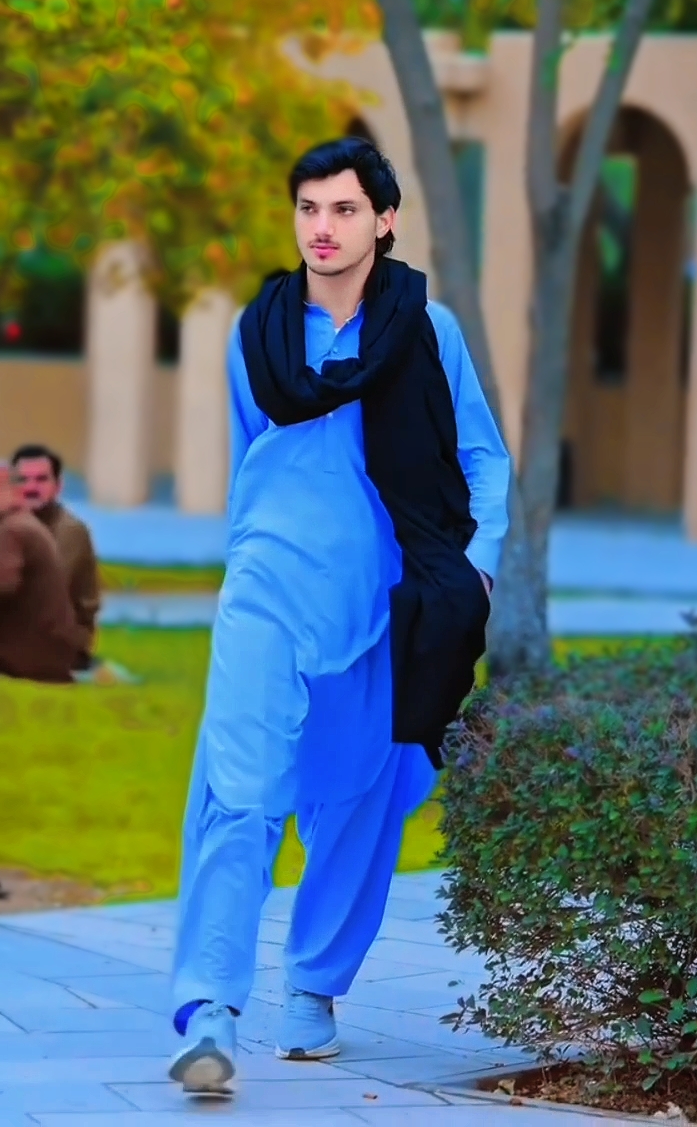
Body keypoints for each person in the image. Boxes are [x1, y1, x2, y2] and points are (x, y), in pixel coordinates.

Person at [168, 137, 511, 1094]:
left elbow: (483, 458)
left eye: (345, 209)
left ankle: (314, 983)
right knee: (238, 787)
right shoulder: (259, 334)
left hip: (387, 596)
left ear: (384, 220)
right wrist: (246, 556)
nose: (322, 228)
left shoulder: (428, 329)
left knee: (362, 791)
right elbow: (251, 458)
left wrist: (478, 571)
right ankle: (209, 1010)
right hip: (268, 587)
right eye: (309, 208)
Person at [11, 444, 100, 670]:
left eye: (41, 479)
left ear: (57, 486)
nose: (31, 487)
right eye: (22, 480)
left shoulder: (69, 531)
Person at [0, 460, 79, 683]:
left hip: (29, 654)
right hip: (46, 649)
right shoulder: (18, 524)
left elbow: (1, 586)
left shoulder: (13, 529)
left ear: (16, 493)